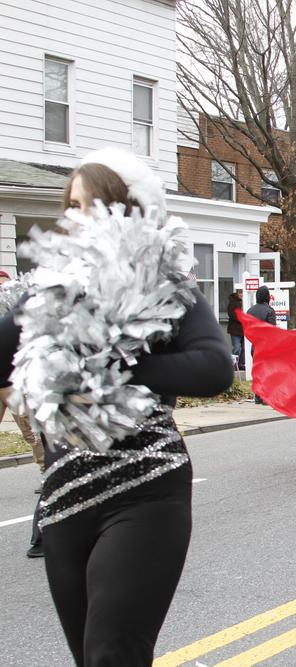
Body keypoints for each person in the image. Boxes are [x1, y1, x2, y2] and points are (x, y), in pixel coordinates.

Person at [0, 148, 233, 665]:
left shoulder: (166, 286)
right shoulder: (44, 295)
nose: (74, 218)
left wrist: (110, 363)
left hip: (146, 490)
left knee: (113, 654)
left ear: (127, 212)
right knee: (91, 655)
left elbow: (214, 368)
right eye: (71, 206)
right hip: (67, 498)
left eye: (89, 205)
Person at [246, 286, 276, 403]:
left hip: (255, 345)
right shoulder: (269, 311)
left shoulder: (250, 311)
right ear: (267, 297)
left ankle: (258, 396)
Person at [226, 291, 244, 370]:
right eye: (240, 293)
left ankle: (240, 364)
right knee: (237, 347)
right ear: (237, 293)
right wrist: (242, 319)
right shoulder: (233, 302)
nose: (242, 295)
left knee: (243, 348)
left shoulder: (244, 301)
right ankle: (232, 365)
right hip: (235, 329)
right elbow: (232, 315)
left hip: (243, 329)